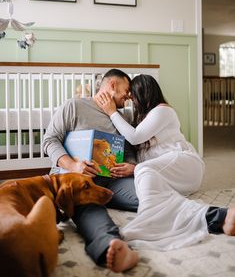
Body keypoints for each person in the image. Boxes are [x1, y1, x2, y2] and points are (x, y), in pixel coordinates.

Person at [97, 74, 235, 251]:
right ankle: (218, 217)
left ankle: (145, 223)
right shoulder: (141, 118)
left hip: (185, 165)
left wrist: (111, 112)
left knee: (143, 170)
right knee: (160, 200)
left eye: (133, 96)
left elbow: (134, 137)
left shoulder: (162, 110)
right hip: (170, 177)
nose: (131, 100)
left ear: (144, 94)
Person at [43, 69, 139, 273]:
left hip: (113, 180)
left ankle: (210, 216)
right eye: (127, 89)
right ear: (113, 85)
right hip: (79, 179)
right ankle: (109, 245)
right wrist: (72, 165)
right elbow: (50, 140)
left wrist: (130, 166)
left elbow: (130, 150)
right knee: (87, 207)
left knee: (150, 194)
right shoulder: (74, 105)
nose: (129, 96)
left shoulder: (121, 117)